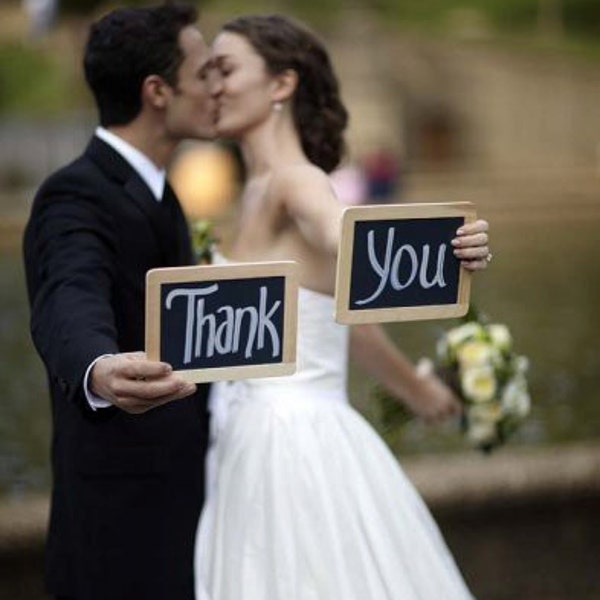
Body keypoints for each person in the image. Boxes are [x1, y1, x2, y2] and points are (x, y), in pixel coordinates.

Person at [194, 14, 490, 600]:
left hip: (294, 445)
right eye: (207, 73)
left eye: (225, 70)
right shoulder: (250, 191)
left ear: (282, 84)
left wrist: (449, 248)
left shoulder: (297, 183)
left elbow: (346, 241)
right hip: (240, 439)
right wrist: (419, 391)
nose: (213, 86)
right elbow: (343, 322)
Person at [23, 4, 216, 599]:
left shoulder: (161, 189)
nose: (217, 88)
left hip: (182, 506)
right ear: (157, 91)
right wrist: (98, 368)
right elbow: (69, 293)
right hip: (120, 531)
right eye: (204, 73)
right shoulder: (76, 194)